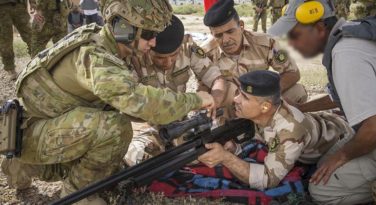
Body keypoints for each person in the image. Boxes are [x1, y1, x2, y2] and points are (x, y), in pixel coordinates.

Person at [0, 0, 215, 204]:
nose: (154, 42)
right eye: (149, 34)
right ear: (124, 28)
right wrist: (195, 99)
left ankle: (22, 165)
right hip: (31, 133)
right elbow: (140, 101)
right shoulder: (96, 58)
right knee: (114, 130)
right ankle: (78, 194)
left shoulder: (108, 46)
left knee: (109, 160)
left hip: (43, 127)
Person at [268, 0, 376, 204]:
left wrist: (342, 156)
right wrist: (302, 108)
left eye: (295, 35)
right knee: (322, 165)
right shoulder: (350, 32)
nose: (290, 43)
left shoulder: (346, 54)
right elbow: (342, 93)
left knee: (322, 190)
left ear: (319, 27)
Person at [197, 70, 352, 191]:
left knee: (318, 185)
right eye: (238, 93)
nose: (236, 99)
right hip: (321, 122)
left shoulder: (289, 130)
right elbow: (260, 138)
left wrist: (226, 158)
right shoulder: (265, 111)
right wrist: (235, 149)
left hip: (340, 141)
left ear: (265, 107)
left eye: (244, 97)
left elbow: (268, 180)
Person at [124, 15, 225, 166]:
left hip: (181, 124)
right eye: (160, 58)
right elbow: (130, 106)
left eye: (174, 55)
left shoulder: (187, 46)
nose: (168, 62)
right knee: (138, 159)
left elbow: (216, 78)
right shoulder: (133, 58)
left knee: (213, 151)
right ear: (148, 47)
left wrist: (214, 101)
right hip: (147, 125)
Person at [201, 0, 307, 119]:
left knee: (297, 91)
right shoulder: (206, 53)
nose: (226, 40)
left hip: (262, 105)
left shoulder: (265, 42)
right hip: (231, 112)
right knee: (226, 89)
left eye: (230, 31)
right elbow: (203, 90)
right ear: (211, 33)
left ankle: (279, 128)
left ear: (241, 26)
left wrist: (264, 94)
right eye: (218, 35)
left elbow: (293, 73)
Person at [0, 0, 32, 80]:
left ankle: (39, 60)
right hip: (1, 8)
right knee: (5, 41)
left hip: (19, 5)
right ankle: (10, 69)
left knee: (31, 36)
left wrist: (32, 2)